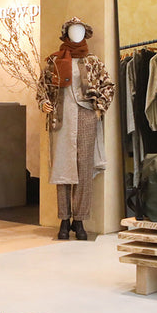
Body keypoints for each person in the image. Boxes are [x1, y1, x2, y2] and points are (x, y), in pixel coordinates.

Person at [36, 17, 114, 241]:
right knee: (62, 170)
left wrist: (99, 107)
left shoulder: (93, 61)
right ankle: (64, 219)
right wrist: (44, 103)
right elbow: (42, 88)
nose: (76, 34)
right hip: (61, 119)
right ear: (66, 34)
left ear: (86, 33)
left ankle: (79, 220)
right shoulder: (54, 60)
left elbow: (108, 86)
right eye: (73, 30)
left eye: (80, 30)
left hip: (86, 117)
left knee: (84, 170)